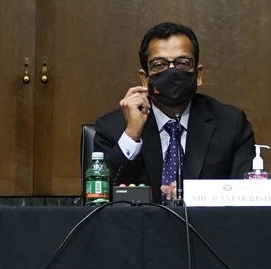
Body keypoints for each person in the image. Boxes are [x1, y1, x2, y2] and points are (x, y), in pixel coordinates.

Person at [92, 22, 257, 202]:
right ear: (144, 79)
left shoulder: (231, 124)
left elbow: (246, 196)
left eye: (183, 63)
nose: (172, 72)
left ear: (198, 75)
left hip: (205, 228)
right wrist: (132, 135)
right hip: (139, 228)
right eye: (159, 64)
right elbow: (98, 198)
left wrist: (197, 195)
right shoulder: (112, 128)